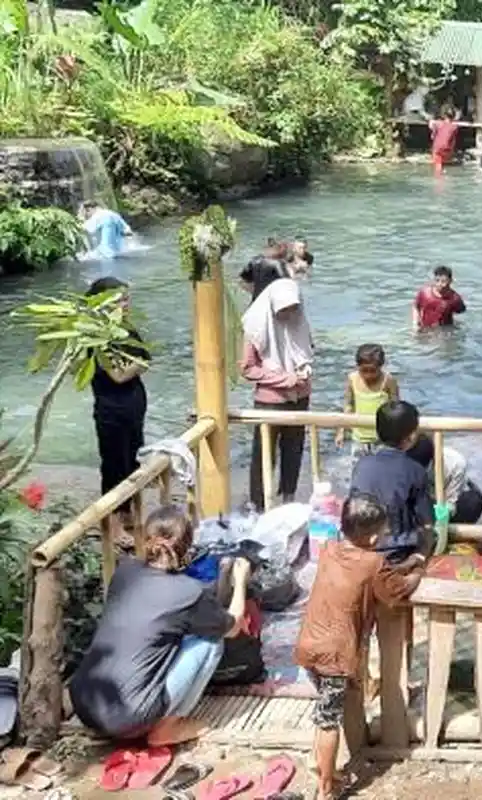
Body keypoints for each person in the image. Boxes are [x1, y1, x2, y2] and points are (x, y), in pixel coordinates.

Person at [70, 507, 251, 745]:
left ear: (146, 539)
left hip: (85, 706)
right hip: (129, 717)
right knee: (210, 641)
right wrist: (240, 582)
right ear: (187, 546)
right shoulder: (190, 592)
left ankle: (144, 717)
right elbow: (233, 627)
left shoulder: (125, 572)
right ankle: (167, 727)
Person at [295, 493, 424, 800]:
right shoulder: (374, 562)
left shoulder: (329, 550)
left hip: (308, 645)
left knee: (324, 712)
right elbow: (396, 589)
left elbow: (370, 570)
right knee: (328, 721)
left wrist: (404, 563)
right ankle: (327, 787)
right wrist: (418, 572)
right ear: (376, 536)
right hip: (335, 656)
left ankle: (321, 767)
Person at [240, 277, 314, 511]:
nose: (290, 314)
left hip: (300, 399)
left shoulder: (299, 324)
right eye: (284, 309)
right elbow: (247, 368)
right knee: (263, 454)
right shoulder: (256, 328)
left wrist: (304, 369)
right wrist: (284, 379)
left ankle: (288, 499)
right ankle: (259, 504)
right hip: (270, 402)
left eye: (294, 308)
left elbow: (306, 351)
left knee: (294, 450)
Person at [86, 277, 150, 527]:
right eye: (120, 299)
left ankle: (129, 514)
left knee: (134, 460)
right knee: (115, 464)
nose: (126, 303)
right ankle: (113, 521)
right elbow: (118, 374)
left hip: (133, 406)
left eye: (127, 298)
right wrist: (137, 366)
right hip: (111, 410)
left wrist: (135, 366)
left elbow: (146, 359)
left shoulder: (126, 328)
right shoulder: (97, 337)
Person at [349, 401, 434, 555]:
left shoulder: (361, 465)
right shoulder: (415, 471)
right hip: (398, 552)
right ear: (411, 436)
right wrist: (422, 556)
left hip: (363, 547)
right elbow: (427, 522)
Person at [407, 435, 482, 524]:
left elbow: (450, 504)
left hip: (450, 497)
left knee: (474, 502)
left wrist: (441, 517)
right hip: (422, 501)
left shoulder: (455, 463)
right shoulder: (404, 462)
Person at [335, 343, 400, 454]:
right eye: (364, 371)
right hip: (359, 439)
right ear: (357, 366)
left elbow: (396, 409)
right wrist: (341, 431)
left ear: (381, 366)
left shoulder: (388, 381)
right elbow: (348, 405)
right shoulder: (352, 379)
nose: (368, 375)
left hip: (382, 440)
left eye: (373, 371)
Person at [429, 108, 459, 176]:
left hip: (438, 150)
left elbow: (432, 137)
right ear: (454, 117)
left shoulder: (438, 124)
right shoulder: (454, 127)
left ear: (444, 115)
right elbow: (453, 141)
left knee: (438, 167)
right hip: (447, 151)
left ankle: (439, 177)